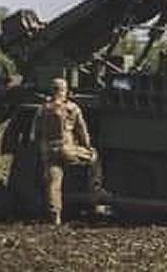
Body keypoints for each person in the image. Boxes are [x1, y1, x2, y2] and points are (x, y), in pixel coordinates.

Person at [39, 77, 99, 225]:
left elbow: (36, 131)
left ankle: (55, 216)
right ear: (64, 91)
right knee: (94, 158)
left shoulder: (43, 108)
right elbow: (82, 131)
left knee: (54, 183)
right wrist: (87, 147)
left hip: (49, 150)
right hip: (68, 149)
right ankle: (95, 192)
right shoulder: (72, 108)